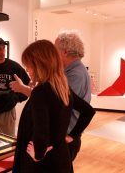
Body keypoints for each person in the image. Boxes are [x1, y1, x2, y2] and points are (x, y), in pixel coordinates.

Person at [10, 39, 95, 172]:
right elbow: (88, 111)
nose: (27, 69)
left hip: (41, 164)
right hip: (60, 157)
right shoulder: (62, 87)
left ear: (39, 64)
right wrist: (73, 135)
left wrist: (38, 155)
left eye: (28, 65)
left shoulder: (41, 91)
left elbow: (41, 130)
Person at [54, 30, 91, 163]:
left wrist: (27, 90)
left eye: (55, 49)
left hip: (67, 137)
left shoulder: (75, 75)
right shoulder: (73, 71)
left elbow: (58, 102)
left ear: (64, 52)